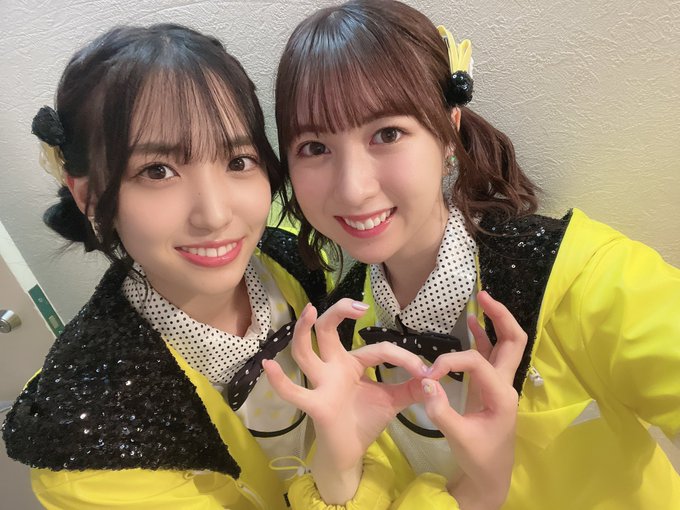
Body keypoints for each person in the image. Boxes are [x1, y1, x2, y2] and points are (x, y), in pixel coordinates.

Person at [273, 1, 680, 509]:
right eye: (315, 147)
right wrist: (337, 464)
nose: (353, 189)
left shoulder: (580, 277)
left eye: (387, 134)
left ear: (449, 129)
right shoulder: (342, 336)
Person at [1, 23, 424, 510]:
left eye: (238, 161)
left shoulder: (290, 262)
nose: (216, 215)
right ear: (90, 196)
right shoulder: (88, 444)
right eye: (157, 171)